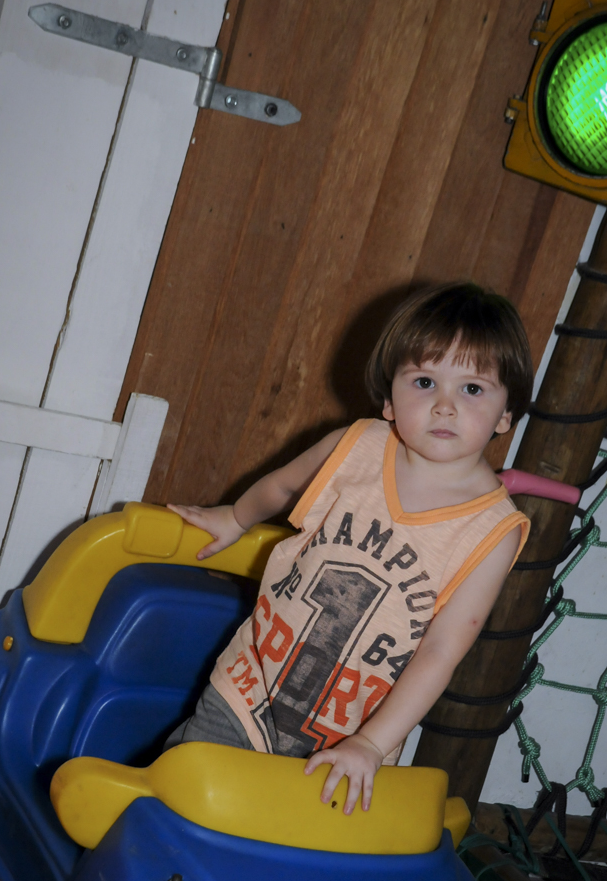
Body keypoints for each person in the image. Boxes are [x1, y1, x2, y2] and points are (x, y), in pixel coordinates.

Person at [166, 282, 532, 816]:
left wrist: (371, 744)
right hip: (248, 688)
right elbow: (283, 486)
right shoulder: (354, 446)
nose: (445, 406)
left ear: (506, 415)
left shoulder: (492, 531)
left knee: (290, 843)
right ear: (389, 399)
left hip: (350, 735)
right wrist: (235, 517)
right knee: (182, 794)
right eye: (425, 382)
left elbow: (440, 652)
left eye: (473, 389)